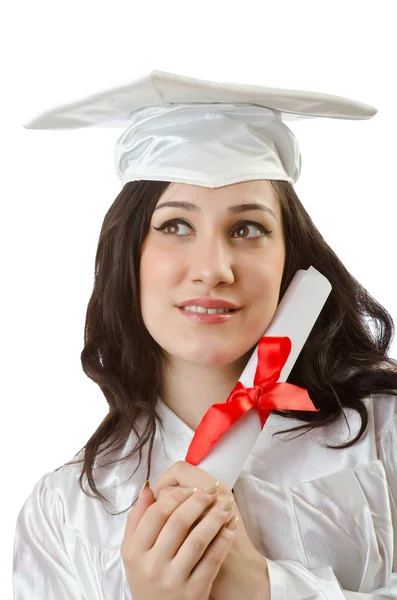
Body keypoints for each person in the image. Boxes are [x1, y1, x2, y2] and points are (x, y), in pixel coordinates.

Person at [13, 70, 397, 599]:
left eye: (247, 229)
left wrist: (266, 589)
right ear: (131, 258)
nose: (214, 268)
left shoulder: (382, 427)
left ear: (290, 258)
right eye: (174, 225)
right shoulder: (69, 512)